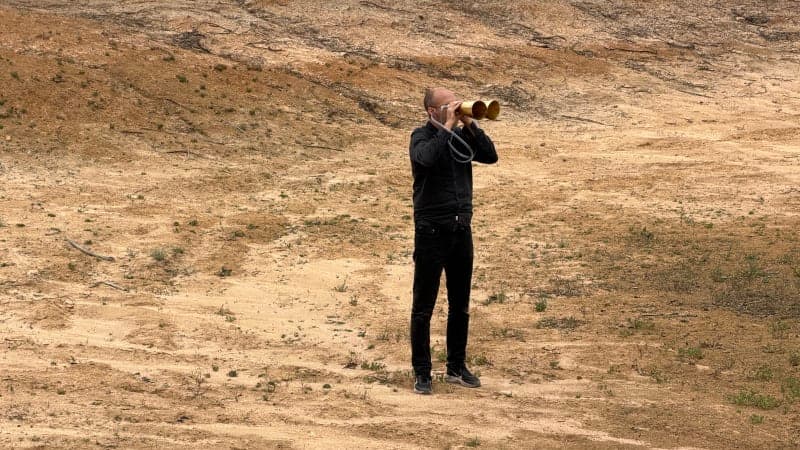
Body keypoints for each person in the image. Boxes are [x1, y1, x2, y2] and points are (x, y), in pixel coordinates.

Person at [408, 87, 498, 395]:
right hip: (431, 232)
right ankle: (422, 372)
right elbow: (426, 160)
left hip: (461, 230)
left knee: (460, 306)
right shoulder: (420, 137)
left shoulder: (462, 138)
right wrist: (446, 128)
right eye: (448, 105)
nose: (455, 108)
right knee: (424, 307)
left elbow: (490, 155)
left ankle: (456, 367)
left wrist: (469, 123)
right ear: (433, 111)